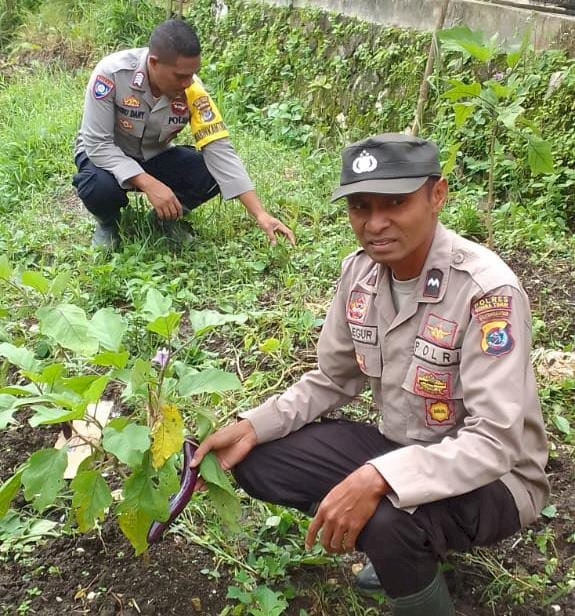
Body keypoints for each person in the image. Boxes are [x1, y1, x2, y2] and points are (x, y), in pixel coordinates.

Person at [190, 134, 549, 615]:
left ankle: (412, 570)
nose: (375, 224)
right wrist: (255, 423)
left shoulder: (486, 292)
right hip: (403, 448)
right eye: (360, 206)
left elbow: (495, 442)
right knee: (260, 458)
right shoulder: (359, 275)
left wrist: (379, 477)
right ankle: (399, 542)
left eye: (396, 203)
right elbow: (334, 378)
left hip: (497, 480)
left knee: (386, 520)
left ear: (436, 195)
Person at [73, 19, 295, 249]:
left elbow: (219, 147)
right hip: (107, 159)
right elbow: (97, 144)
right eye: (180, 76)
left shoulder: (192, 89)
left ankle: (163, 221)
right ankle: (108, 224)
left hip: (153, 156)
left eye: (192, 74)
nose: (188, 82)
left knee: (211, 171)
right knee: (97, 186)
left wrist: (260, 213)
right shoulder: (111, 74)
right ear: (154, 63)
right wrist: (149, 184)